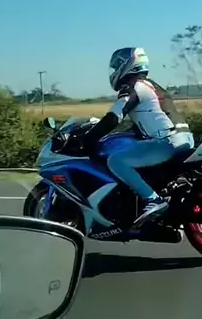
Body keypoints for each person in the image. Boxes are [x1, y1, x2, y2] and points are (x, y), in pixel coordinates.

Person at [82, 47, 195, 226]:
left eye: (116, 67)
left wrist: (88, 139)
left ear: (126, 65)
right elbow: (148, 120)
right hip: (185, 138)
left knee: (115, 160)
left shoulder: (133, 87)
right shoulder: (153, 86)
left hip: (167, 142)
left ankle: (153, 200)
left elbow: (113, 118)